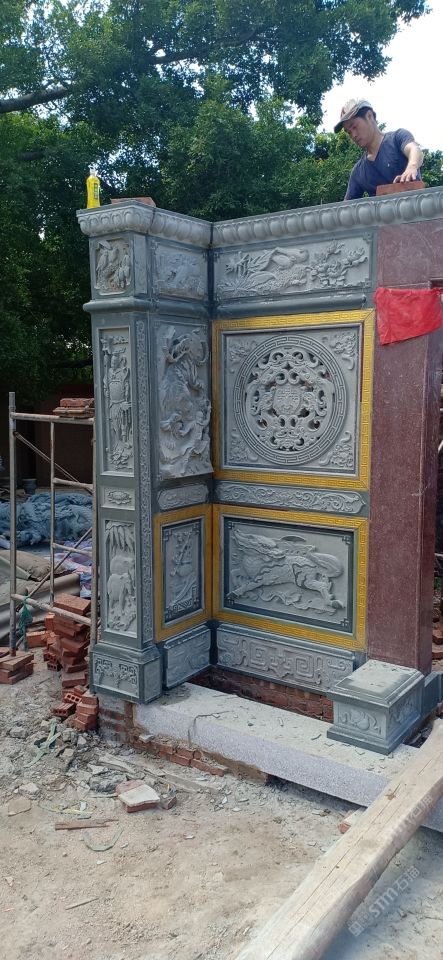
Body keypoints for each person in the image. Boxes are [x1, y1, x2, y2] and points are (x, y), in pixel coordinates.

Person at [334, 98, 423, 201]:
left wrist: (411, 167)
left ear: (369, 116)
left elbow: (414, 150)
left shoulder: (397, 138)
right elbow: (347, 207)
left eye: (354, 127)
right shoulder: (359, 172)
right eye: (349, 132)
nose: (353, 135)